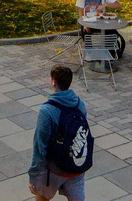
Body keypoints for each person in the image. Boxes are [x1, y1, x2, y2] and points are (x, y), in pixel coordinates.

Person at [28, 65, 90, 201]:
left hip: (54, 170)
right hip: (76, 165)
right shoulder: (80, 105)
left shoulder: (47, 110)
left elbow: (40, 146)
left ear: (53, 82)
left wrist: (34, 175)